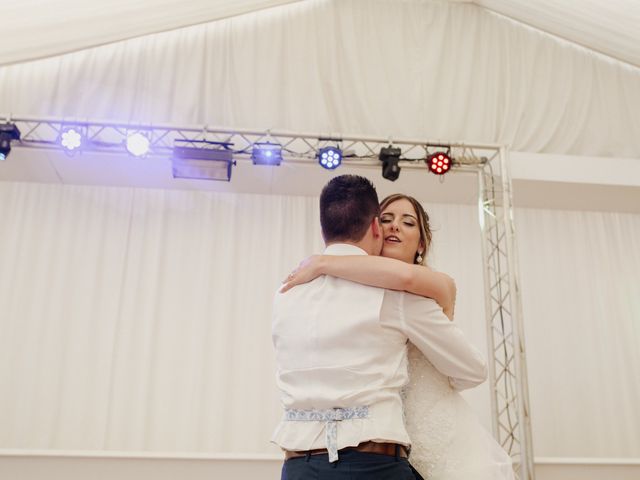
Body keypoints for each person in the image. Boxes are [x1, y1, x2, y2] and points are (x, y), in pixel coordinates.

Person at [281, 192, 515, 480]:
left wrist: (321, 262)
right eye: (387, 219)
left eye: (407, 222)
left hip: (426, 429)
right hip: (377, 435)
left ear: (421, 243)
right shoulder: (351, 291)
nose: (394, 227)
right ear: (375, 231)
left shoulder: (424, 290)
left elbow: (471, 368)